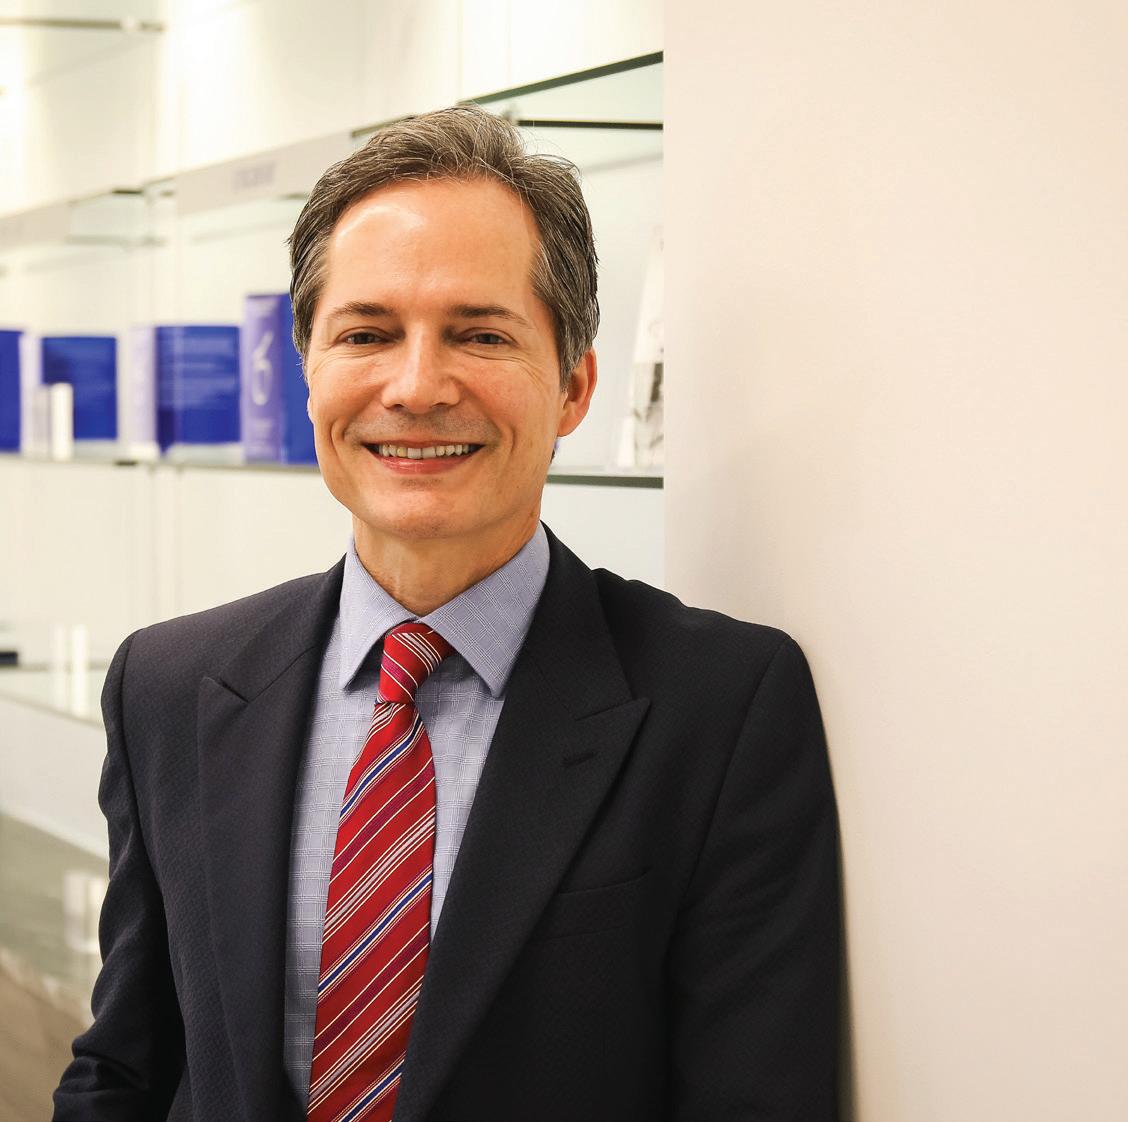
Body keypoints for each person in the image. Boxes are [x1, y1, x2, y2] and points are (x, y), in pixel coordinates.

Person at [52, 105, 841, 1122]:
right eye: (366, 334)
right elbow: (125, 1069)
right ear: (307, 376)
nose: (417, 387)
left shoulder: (722, 707)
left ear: (574, 387)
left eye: (479, 334)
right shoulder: (168, 686)